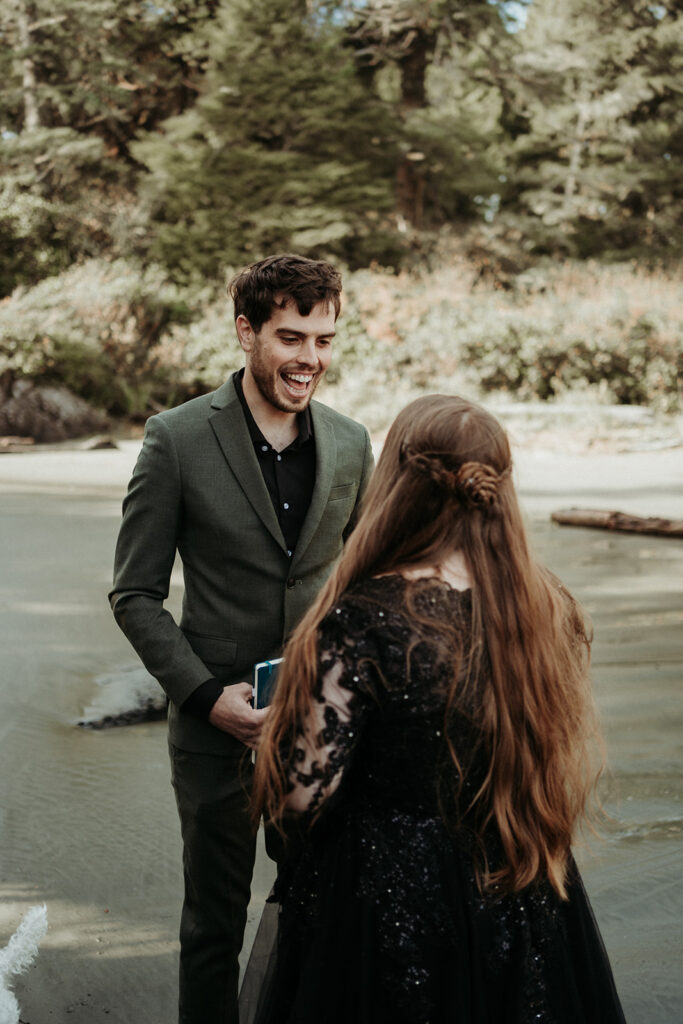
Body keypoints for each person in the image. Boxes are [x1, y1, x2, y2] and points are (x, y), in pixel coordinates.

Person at [250, 394, 626, 1024]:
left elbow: (299, 798)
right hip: (519, 884)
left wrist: (275, 734)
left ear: (395, 485)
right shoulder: (543, 605)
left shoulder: (362, 618)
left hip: (387, 905)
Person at [108, 253, 374, 1024]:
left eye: (324, 340)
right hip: (212, 730)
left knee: (321, 913)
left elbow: (363, 587)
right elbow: (134, 593)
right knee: (213, 926)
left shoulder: (354, 444)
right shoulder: (176, 438)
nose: (310, 359)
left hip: (321, 729)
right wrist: (202, 698)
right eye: (292, 337)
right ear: (245, 332)